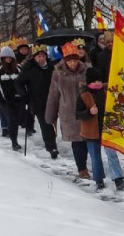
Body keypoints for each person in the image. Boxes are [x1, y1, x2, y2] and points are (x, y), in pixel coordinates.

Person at [45, 42, 90, 179]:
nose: (73, 63)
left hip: (86, 110)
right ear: (65, 61)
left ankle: (87, 164)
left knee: (88, 139)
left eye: (75, 60)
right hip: (68, 112)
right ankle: (82, 168)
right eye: (70, 61)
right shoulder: (58, 73)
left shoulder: (86, 70)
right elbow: (53, 94)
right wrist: (50, 115)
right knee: (77, 141)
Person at [18, 44, 59, 158]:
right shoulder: (29, 68)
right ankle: (51, 147)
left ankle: (53, 139)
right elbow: (19, 82)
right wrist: (24, 94)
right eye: (38, 56)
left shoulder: (52, 67)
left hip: (54, 98)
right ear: (34, 58)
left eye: (42, 56)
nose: (41, 58)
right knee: (46, 123)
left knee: (53, 122)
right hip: (38, 101)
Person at [0, 46, 26, 151]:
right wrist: (1, 94)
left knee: (19, 118)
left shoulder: (18, 68)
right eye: (5, 57)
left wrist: (23, 93)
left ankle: (16, 137)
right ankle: (14, 142)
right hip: (5, 100)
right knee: (12, 120)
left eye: (10, 57)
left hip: (18, 99)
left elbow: (24, 81)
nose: (8, 59)